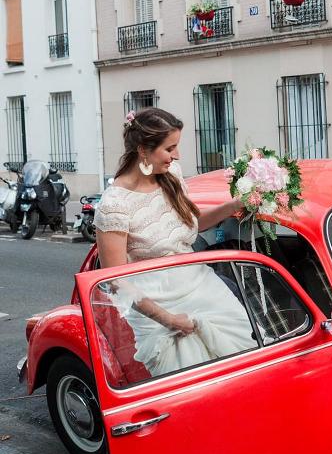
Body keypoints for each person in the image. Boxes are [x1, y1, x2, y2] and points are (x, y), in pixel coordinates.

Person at [94, 107, 255, 377]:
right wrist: (168, 320)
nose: (177, 155)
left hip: (203, 288)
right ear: (144, 149)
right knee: (192, 383)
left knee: (243, 365)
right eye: (170, 148)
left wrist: (237, 204)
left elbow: (192, 224)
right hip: (158, 308)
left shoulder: (172, 175)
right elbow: (116, 282)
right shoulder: (114, 206)